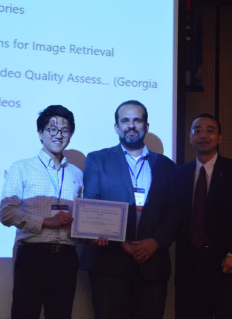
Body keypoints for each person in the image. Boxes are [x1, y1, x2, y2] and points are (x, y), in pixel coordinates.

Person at [80, 100, 179, 319]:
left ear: (146, 126)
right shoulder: (98, 160)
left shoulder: (166, 165)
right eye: (125, 120)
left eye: (137, 120)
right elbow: (91, 203)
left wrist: (155, 242)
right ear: (117, 127)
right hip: (109, 264)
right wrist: (120, 242)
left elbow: (175, 212)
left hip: (152, 265)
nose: (131, 125)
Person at [175, 114, 232, 319]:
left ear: (220, 138)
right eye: (197, 130)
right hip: (190, 268)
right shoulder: (179, 174)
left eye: (210, 130)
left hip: (228, 266)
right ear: (189, 137)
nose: (203, 135)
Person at [0, 105, 82, 319]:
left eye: (65, 130)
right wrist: (45, 221)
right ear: (40, 133)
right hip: (32, 256)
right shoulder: (21, 168)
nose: (58, 134)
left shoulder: (77, 174)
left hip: (66, 257)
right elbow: (6, 213)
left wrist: (94, 234)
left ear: (70, 136)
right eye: (52, 128)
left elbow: (83, 219)